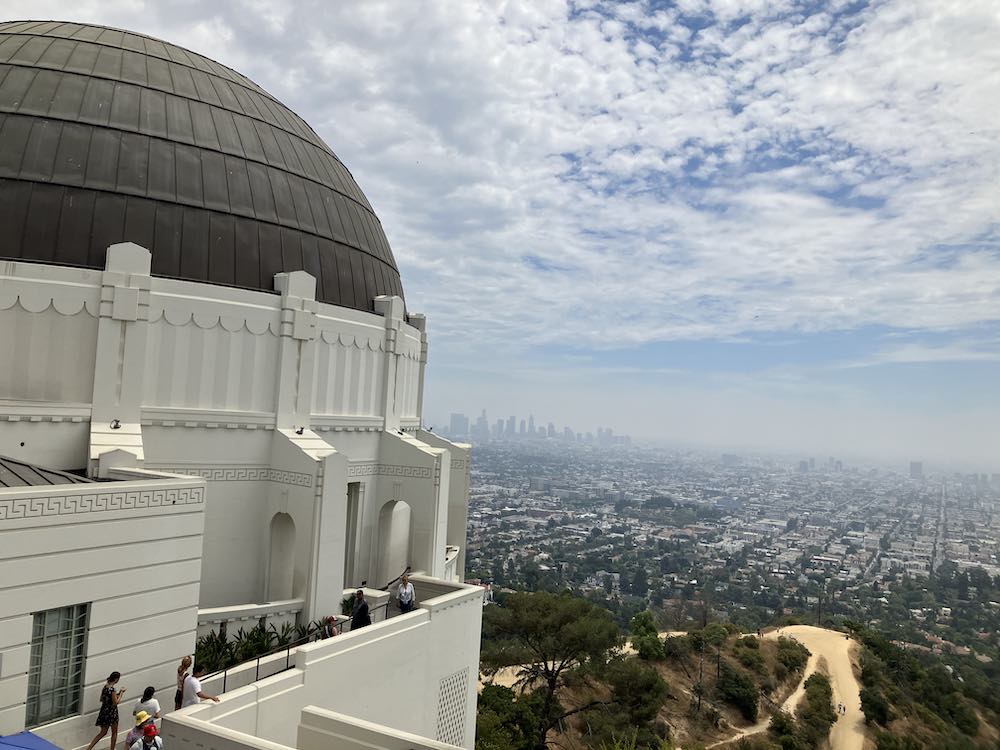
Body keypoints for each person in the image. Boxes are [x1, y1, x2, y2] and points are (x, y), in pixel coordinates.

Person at [84, 671, 124, 750]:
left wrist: (116, 695)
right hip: (112, 712)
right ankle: (112, 749)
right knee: (114, 732)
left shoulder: (105, 687)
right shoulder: (112, 689)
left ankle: (89, 748)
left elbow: (102, 699)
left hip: (104, 711)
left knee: (103, 732)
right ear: (116, 679)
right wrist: (121, 693)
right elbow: (116, 702)